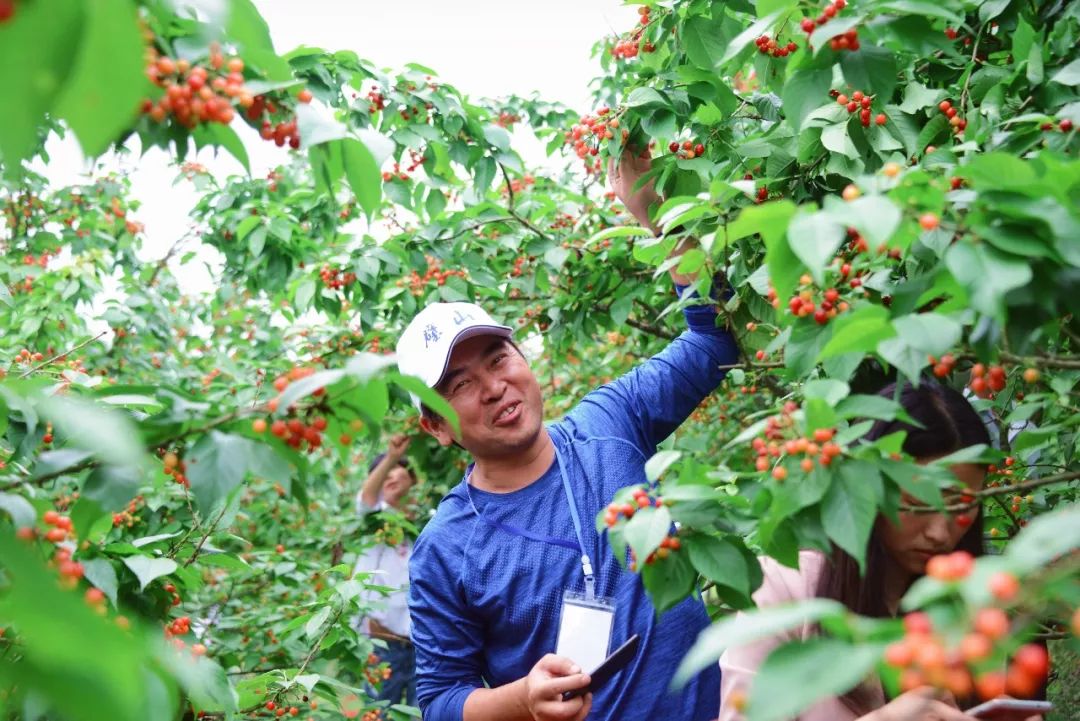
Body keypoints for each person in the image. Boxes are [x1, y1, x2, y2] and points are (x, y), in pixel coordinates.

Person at [399, 148, 739, 721]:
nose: (494, 387)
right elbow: (438, 700)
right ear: (435, 427)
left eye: (499, 358)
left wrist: (657, 211)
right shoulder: (447, 548)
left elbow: (713, 341)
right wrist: (521, 700)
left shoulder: (609, 423)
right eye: (459, 385)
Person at [718, 381, 1043, 721]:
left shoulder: (978, 601)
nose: (939, 532)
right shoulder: (784, 594)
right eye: (917, 505)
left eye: (962, 507)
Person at [353, 434, 418, 706]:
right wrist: (392, 456)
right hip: (384, 645)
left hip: (421, 644)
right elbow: (367, 498)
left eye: (397, 470)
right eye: (384, 473)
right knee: (378, 712)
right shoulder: (376, 520)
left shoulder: (427, 522)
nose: (391, 476)